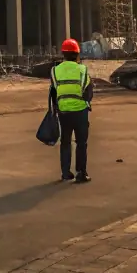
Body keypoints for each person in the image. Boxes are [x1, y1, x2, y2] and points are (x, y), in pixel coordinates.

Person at [49, 38, 93, 183]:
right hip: (80, 111)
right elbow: (88, 93)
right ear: (77, 54)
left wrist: (57, 108)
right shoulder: (83, 69)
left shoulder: (55, 70)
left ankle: (65, 173)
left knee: (65, 142)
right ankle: (81, 173)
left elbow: (54, 92)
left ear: (63, 54)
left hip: (63, 112)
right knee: (81, 143)